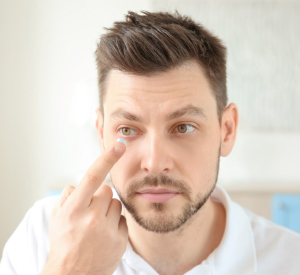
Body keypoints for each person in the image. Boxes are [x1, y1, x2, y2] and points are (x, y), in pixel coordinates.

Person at [1, 10, 300, 275]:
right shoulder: (43, 235)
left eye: (183, 126)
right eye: (128, 130)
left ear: (227, 130)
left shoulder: (290, 261)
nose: (155, 163)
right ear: (101, 133)